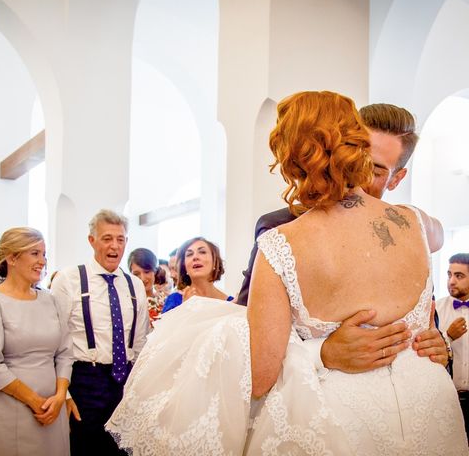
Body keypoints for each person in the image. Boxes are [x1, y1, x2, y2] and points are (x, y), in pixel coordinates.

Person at [106, 91, 467, 454]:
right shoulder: (419, 223)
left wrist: (433, 337)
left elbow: (260, 375)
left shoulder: (283, 245)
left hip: (346, 415)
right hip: (428, 405)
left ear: (292, 159)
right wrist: (323, 351)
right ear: (355, 148)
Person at [237, 102, 449, 373]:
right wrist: (321, 353)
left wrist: (440, 347)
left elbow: (428, 321)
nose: (357, 175)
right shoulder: (279, 228)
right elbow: (245, 333)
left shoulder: (412, 230)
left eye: (374, 169)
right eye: (354, 157)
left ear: (396, 179)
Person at [50, 209, 150, 455]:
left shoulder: (135, 284)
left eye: (120, 239)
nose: (114, 245)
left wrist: (139, 390)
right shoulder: (68, 279)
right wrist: (65, 394)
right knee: (85, 449)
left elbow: (140, 344)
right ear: (91, 240)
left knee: (122, 449)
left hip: (125, 382)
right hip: (85, 381)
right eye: (107, 238)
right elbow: (56, 342)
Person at [0, 227, 73, 456]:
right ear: (12, 257)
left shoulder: (51, 301)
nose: (42, 261)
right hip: (9, 409)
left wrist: (60, 396)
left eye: (44, 254)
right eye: (35, 253)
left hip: (52, 408)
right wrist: (34, 401)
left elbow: (65, 352)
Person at [438, 253, 469, 440]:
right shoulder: (436, 311)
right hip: (449, 400)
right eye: (449, 275)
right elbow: (425, 355)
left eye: (459, 276)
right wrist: (448, 337)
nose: (451, 281)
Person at [161, 237, 233, 313]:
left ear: (215, 261)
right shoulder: (174, 300)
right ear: (184, 266)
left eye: (202, 252)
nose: (195, 257)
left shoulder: (232, 303)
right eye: (189, 254)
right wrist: (185, 308)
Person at [128, 247, 165, 324]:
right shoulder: (127, 302)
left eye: (147, 272)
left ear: (155, 271)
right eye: (136, 274)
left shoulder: (165, 301)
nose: (143, 278)